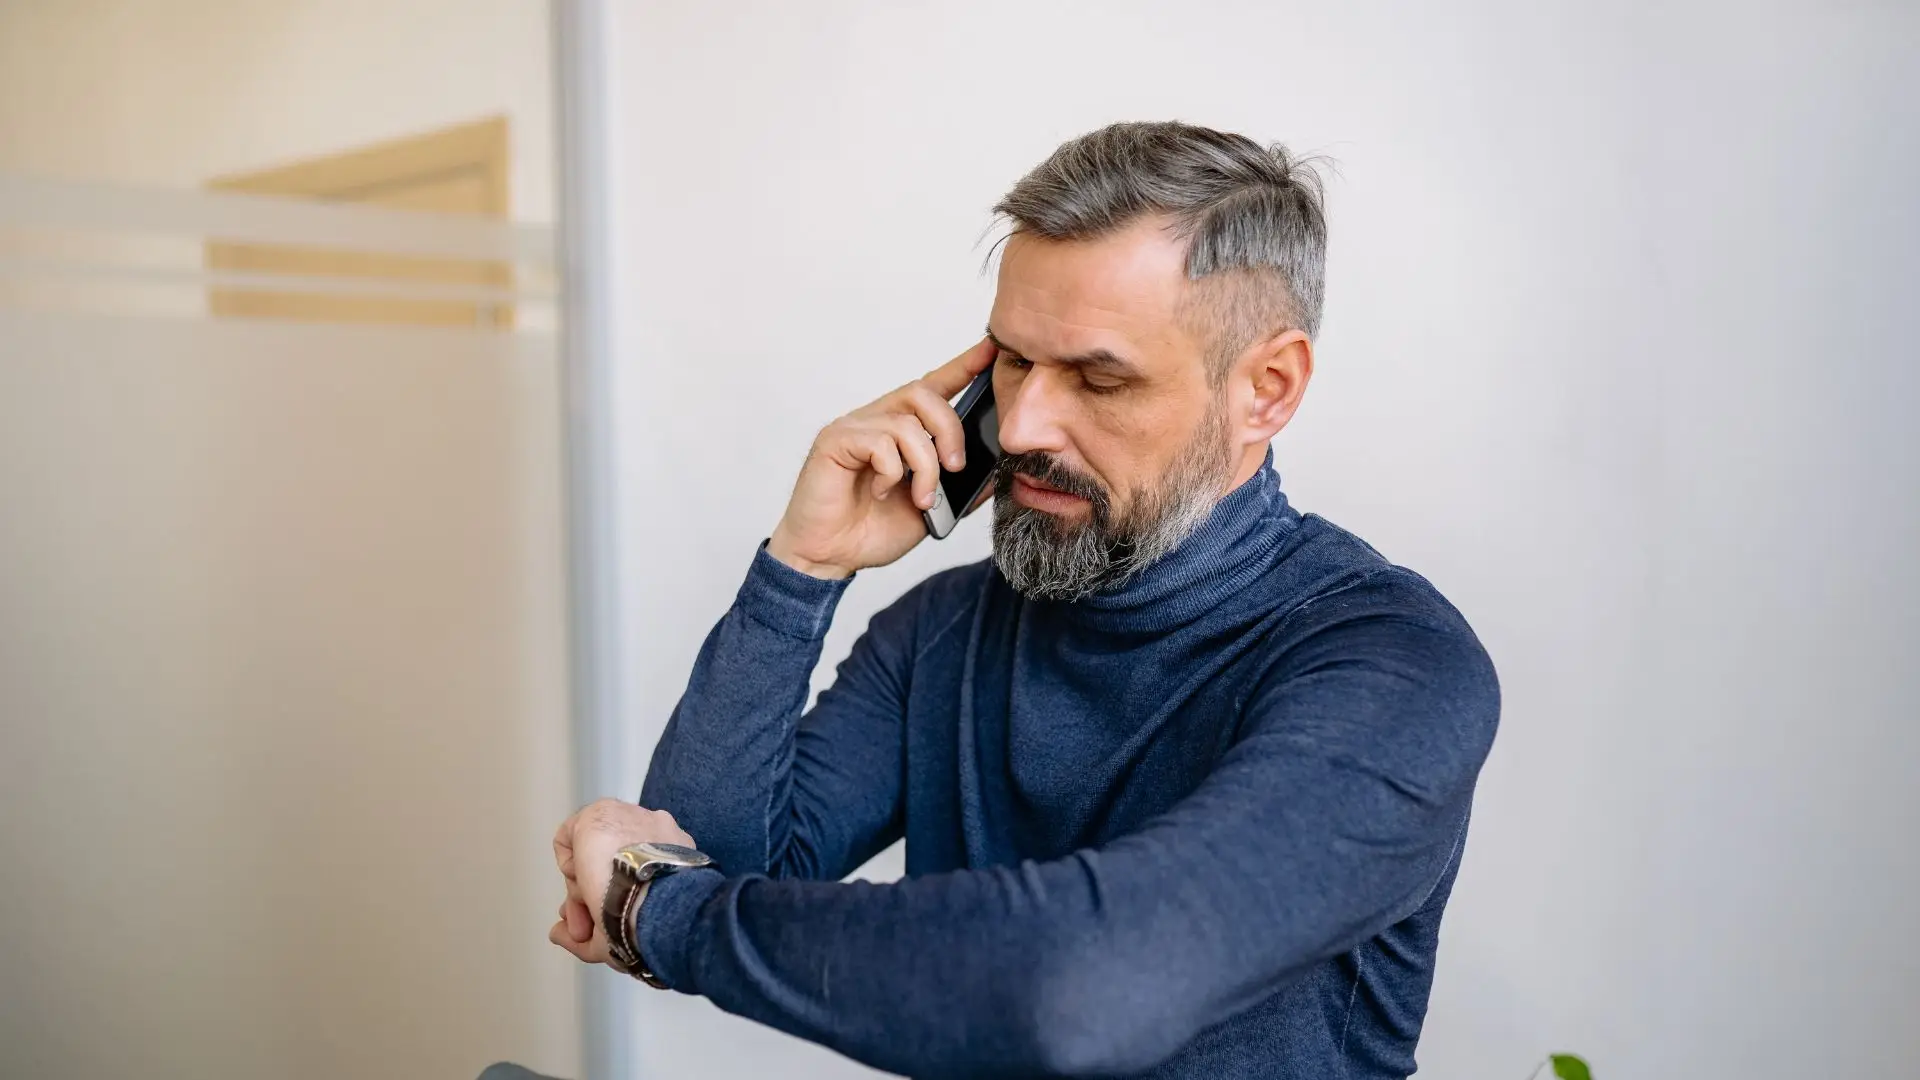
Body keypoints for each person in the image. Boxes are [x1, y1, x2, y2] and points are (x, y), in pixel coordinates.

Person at [547, 121, 1500, 1079]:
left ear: (1267, 387)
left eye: (1098, 377)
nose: (1027, 424)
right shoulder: (944, 628)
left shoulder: (1393, 662)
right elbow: (695, 855)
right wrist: (804, 568)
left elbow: (1084, 991)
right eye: (1012, 360)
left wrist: (660, 912)